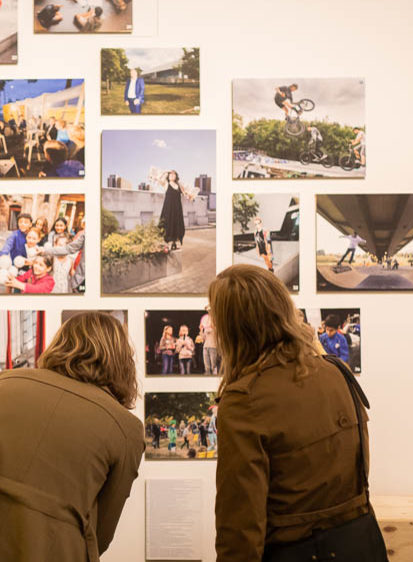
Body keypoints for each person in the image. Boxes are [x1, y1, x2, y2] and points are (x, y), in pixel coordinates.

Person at [0, 312, 142, 561]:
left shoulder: (5, 383)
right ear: (122, 360)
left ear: (60, 344)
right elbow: (100, 534)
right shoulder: (127, 430)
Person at [210, 264, 385, 560]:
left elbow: (239, 528)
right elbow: (359, 470)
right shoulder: (336, 371)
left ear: (234, 327)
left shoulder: (244, 399)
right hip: (358, 546)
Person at [158, 170, 198, 250]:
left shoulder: (179, 185)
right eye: (170, 175)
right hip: (168, 207)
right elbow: (159, 179)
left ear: (176, 176)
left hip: (177, 208)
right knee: (167, 223)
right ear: (168, 176)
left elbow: (186, 194)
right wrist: (166, 171)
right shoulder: (166, 184)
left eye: (174, 174)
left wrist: (191, 196)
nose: (172, 175)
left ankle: (174, 242)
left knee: (176, 223)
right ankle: (166, 242)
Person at [199, 308, 219, 375]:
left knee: (213, 365)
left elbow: (218, 337)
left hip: (213, 347)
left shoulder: (216, 329)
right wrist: (201, 329)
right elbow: (203, 338)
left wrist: (214, 327)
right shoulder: (206, 329)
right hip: (205, 347)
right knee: (206, 365)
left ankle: (214, 375)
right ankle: (207, 375)